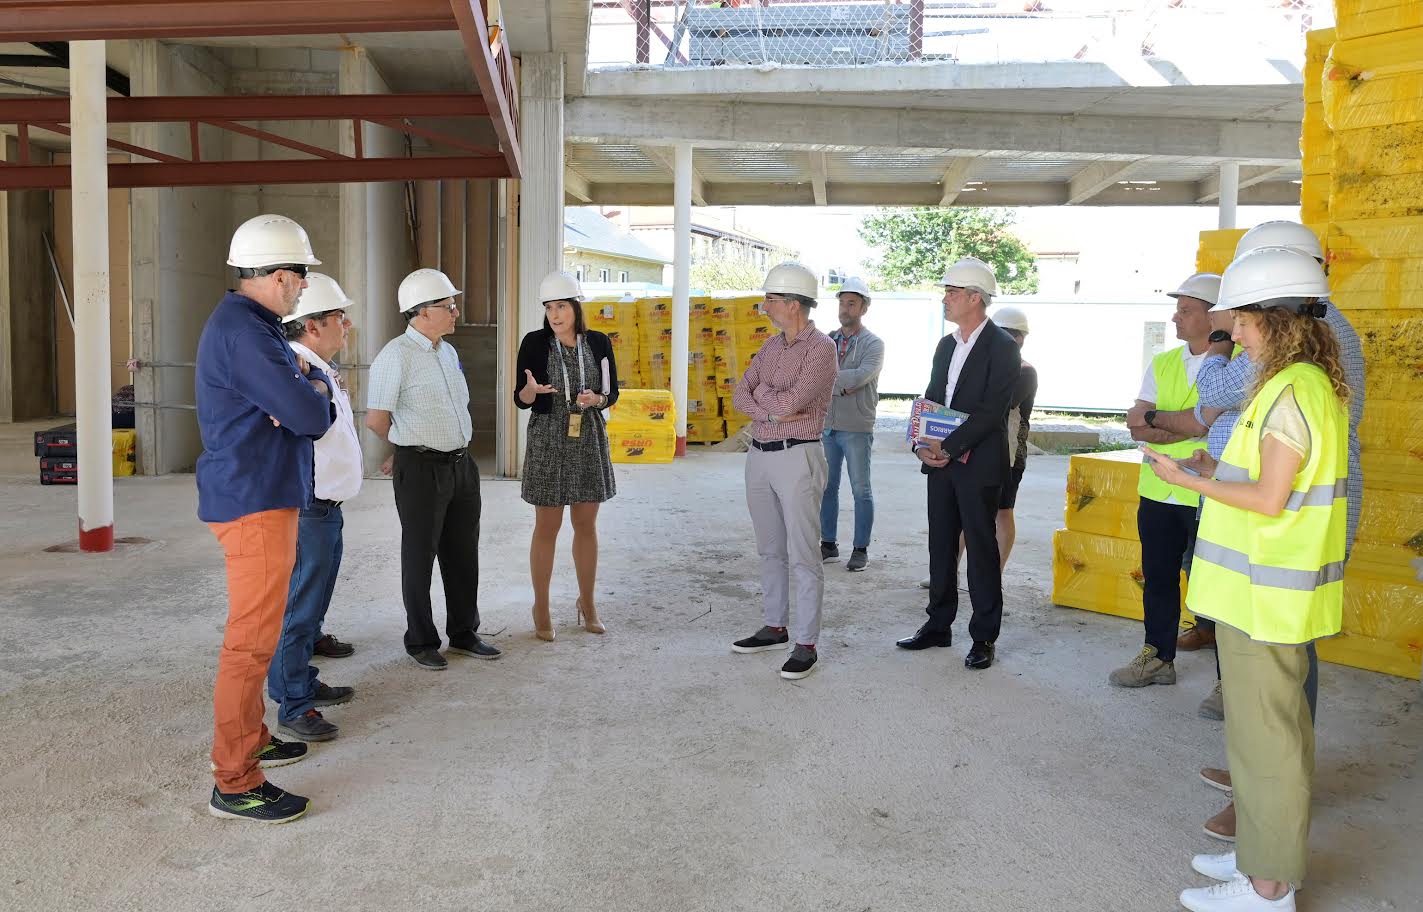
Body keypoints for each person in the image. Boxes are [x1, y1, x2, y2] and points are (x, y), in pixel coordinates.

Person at [1139, 220, 1367, 839]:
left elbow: (1212, 390)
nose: (1232, 327)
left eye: (1239, 315)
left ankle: (1268, 797)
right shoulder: (1315, 347)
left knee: (1279, 677)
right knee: (1279, 671)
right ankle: (1262, 780)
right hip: (1289, 517)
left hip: (1285, 534)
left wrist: (1214, 343)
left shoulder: (1297, 361)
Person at [197, 214, 333, 823]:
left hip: (259, 493)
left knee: (259, 634)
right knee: (250, 645)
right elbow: (309, 414)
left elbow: (297, 399)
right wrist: (314, 394)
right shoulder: (248, 335)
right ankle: (235, 779)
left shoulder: (253, 325)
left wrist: (303, 391)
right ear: (279, 276)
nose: (305, 289)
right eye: (301, 278)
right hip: (253, 502)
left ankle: (252, 740)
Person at [366, 268, 500, 670]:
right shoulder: (396, 356)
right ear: (421, 313)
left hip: (461, 464)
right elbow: (377, 418)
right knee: (419, 555)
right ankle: (421, 640)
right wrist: (403, 446)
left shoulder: (447, 351)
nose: (456, 311)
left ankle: (463, 632)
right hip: (421, 467)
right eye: (448, 306)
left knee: (462, 552)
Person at [897, 257, 1021, 670]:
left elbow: (992, 412)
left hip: (978, 463)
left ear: (974, 298)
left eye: (951, 293)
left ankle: (983, 636)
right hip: (941, 462)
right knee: (942, 544)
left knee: (982, 550)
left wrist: (947, 447)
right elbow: (932, 397)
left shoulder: (1003, 347)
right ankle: (938, 625)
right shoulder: (946, 344)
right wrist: (919, 442)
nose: (944, 300)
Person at [729, 262, 839, 680]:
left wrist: (770, 404)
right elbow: (743, 394)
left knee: (804, 553)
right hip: (759, 453)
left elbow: (799, 397)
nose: (764, 305)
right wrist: (773, 411)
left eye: (770, 299)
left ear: (793, 305)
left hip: (799, 456)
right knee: (769, 547)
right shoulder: (771, 347)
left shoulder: (821, 348)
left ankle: (806, 643)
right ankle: (775, 626)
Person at [266, 273, 362, 743]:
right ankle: (293, 703)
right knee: (299, 605)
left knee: (313, 601)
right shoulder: (296, 370)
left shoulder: (316, 366)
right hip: (309, 505)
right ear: (311, 325)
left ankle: (299, 679)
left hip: (327, 503)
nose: (347, 325)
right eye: (339, 318)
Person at [1109, 272, 1217, 688]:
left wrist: (1166, 422)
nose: (1176, 318)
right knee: (1158, 578)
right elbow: (1137, 424)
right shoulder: (1164, 362)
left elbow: (1208, 424)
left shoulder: (1235, 366)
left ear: (1215, 317)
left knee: (1217, 583)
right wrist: (1186, 426)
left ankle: (1231, 678)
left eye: (1186, 311)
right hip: (1159, 488)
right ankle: (1158, 656)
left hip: (1211, 493)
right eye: (1178, 310)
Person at [514, 270, 619, 641]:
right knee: (547, 527)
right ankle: (540, 606)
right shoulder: (534, 343)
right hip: (548, 438)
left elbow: (613, 392)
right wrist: (530, 390)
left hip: (587, 436)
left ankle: (587, 602)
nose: (555, 315)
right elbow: (521, 400)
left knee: (586, 525)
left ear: (576, 307)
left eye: (561, 306)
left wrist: (597, 400)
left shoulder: (599, 342)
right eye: (549, 308)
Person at [819, 276, 884, 572]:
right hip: (828, 426)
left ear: (865, 308)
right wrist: (840, 384)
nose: (845, 309)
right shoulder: (827, 340)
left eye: (852, 303)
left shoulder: (874, 344)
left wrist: (829, 382)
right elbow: (814, 375)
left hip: (857, 427)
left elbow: (860, 377)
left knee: (861, 490)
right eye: (842, 302)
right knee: (826, 487)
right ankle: (828, 545)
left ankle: (861, 549)